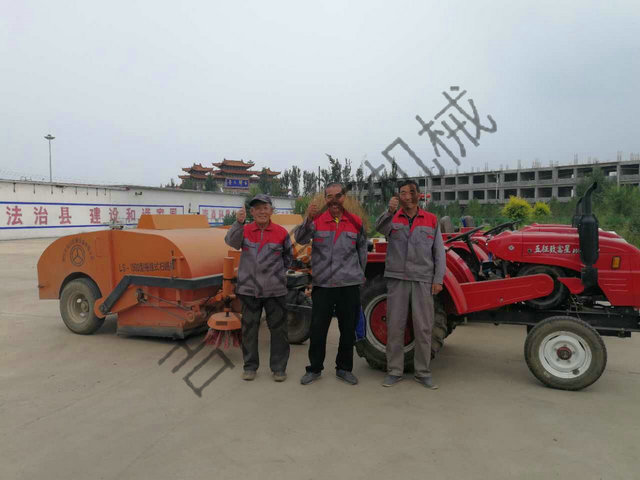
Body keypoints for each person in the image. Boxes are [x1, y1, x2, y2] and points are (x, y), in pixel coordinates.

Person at [375, 180, 446, 389]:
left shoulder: (431, 220)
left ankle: (422, 372)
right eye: (403, 193)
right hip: (397, 279)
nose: (407, 196)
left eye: (411, 192)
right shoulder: (393, 218)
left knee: (423, 327)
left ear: (418, 195)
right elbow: (379, 228)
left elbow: (439, 252)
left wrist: (438, 279)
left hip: (423, 279)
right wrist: (389, 211)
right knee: (395, 326)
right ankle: (394, 371)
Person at [294, 183, 367, 386]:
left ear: (344, 198)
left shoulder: (356, 222)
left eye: (338, 195)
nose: (334, 200)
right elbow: (300, 239)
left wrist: (360, 275)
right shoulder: (317, 221)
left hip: (348, 285)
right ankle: (314, 368)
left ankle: (344, 369)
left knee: (347, 329)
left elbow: (362, 251)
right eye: (329, 196)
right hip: (323, 285)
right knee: (318, 329)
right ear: (325, 199)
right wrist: (308, 219)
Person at [225, 193, 293, 382]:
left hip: (275, 290)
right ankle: (250, 367)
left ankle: (279, 369)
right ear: (252, 212)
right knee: (249, 330)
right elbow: (231, 242)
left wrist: (278, 275)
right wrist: (238, 223)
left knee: (279, 330)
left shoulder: (281, 232)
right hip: (249, 290)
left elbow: (289, 257)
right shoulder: (245, 230)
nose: (262, 212)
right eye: (257, 209)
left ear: (271, 211)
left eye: (265, 208)